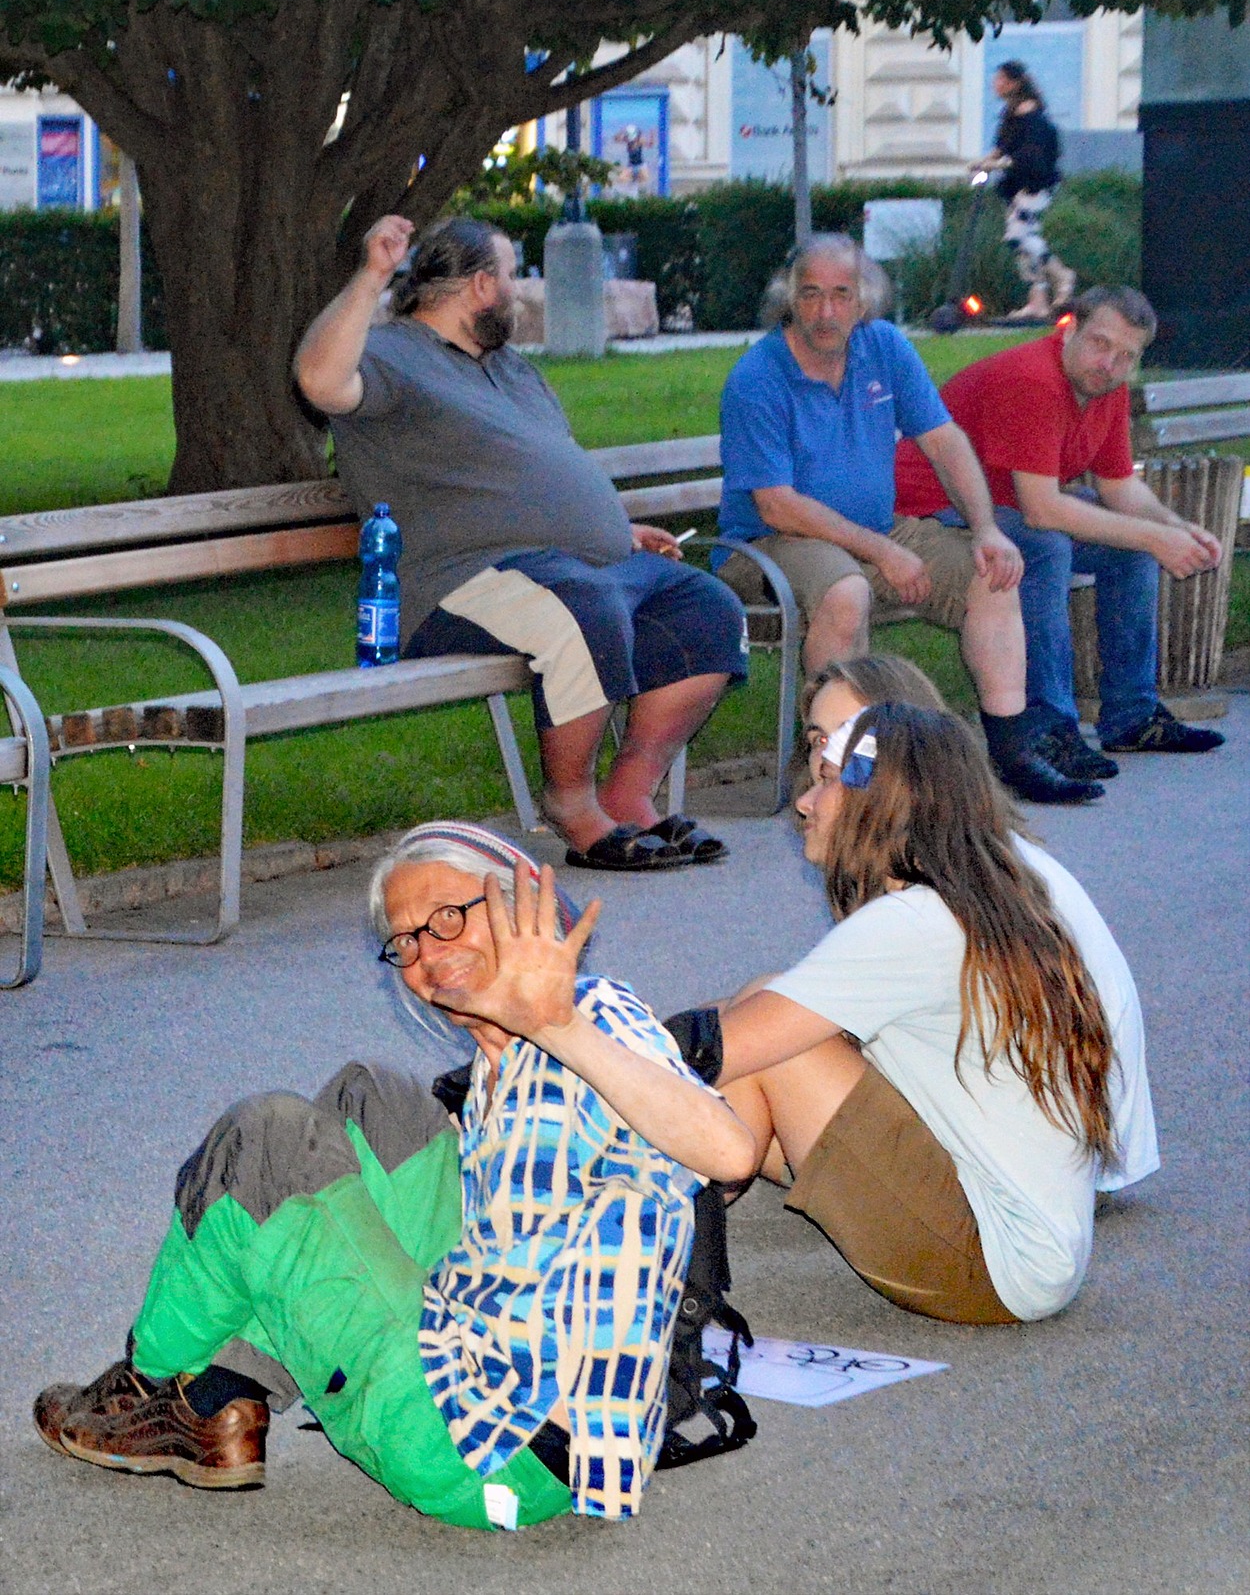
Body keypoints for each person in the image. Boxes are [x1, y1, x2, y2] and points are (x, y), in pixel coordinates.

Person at [33, 822, 755, 1526]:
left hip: (487, 1451)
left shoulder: (592, 1016)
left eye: (448, 918)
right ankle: (225, 1394)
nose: (426, 956)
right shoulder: (495, 1076)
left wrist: (555, 1024)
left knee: (264, 1141)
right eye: (405, 941)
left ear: (519, 908)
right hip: (488, 1370)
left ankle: (151, 1385)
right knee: (372, 1099)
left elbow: (728, 1154)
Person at [296, 215, 749, 872]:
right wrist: (370, 277)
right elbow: (317, 379)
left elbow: (535, 467)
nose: (519, 289)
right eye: (513, 275)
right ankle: (572, 804)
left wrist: (612, 529)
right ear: (482, 286)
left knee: (708, 609)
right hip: (463, 582)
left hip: (572, 566)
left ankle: (629, 792)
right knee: (580, 609)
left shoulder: (508, 369)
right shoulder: (390, 354)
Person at [708, 698, 1159, 1325]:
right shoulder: (966, 894)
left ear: (883, 802)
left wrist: (572, 1036)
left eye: (829, 783)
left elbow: (713, 1048)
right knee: (769, 1001)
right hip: (1022, 1237)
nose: (806, 804)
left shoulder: (914, 923)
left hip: (994, 1265)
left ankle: (662, 1235)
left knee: (775, 1052)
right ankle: (678, 1210)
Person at [716, 232, 1102, 805]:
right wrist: (881, 551)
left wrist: (988, 528)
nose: (826, 312)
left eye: (842, 295)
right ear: (789, 297)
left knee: (992, 572)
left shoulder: (885, 348)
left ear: (865, 298)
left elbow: (944, 440)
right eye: (812, 294)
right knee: (845, 593)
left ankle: (1013, 752)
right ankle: (839, 770)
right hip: (771, 544)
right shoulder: (757, 377)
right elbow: (777, 504)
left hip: (874, 532)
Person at [894, 285, 1225, 778]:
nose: (1109, 363)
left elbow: (1119, 488)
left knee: (1128, 545)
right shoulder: (1032, 379)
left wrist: (1177, 529)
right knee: (1045, 547)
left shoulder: (1103, 388)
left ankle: (1132, 716)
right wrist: (1155, 538)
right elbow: (1043, 510)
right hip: (932, 507)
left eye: (1125, 356)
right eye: (1099, 343)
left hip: (1002, 505)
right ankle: (1047, 729)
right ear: (1068, 328)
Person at [974, 59, 1075, 323]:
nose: (996, 85)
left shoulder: (1029, 115)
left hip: (1034, 184)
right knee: (1023, 242)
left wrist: (997, 163)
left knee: (1018, 237)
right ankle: (1038, 300)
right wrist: (984, 162)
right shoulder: (1011, 113)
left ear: (1014, 82)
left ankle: (1061, 275)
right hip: (1018, 185)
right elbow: (1002, 147)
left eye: (1001, 80)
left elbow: (1028, 155)